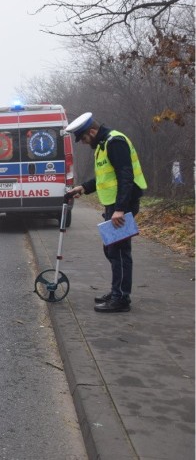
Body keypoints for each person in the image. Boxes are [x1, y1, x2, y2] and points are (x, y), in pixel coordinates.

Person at [65, 112, 148, 313]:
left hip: (123, 205)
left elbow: (125, 176)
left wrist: (120, 209)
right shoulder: (102, 146)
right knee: (112, 250)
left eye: (84, 138)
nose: (84, 142)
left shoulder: (115, 142)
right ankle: (116, 291)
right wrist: (83, 188)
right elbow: (104, 178)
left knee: (119, 251)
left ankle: (121, 298)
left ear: (92, 131)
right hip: (114, 205)